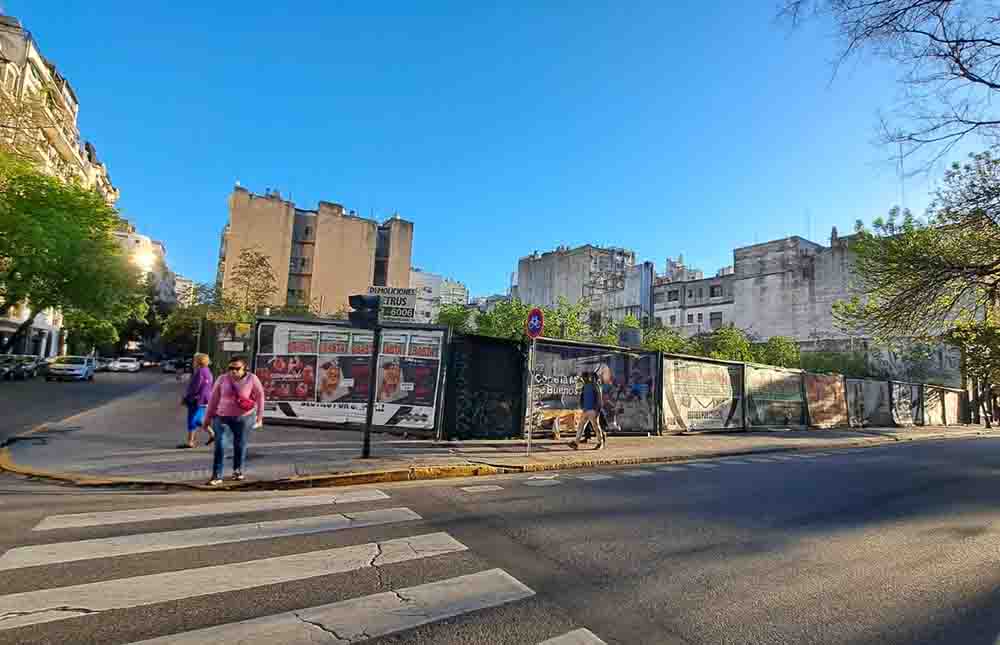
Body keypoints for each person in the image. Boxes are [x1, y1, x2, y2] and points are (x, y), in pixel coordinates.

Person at [202, 356, 265, 485]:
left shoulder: (252, 379)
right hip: (221, 416)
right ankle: (216, 475)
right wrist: (207, 419)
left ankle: (237, 470)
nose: (233, 371)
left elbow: (260, 397)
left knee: (240, 444)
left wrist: (259, 418)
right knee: (220, 444)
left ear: (244, 369)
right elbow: (213, 400)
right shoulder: (222, 379)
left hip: (244, 417)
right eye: (231, 368)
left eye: (237, 368)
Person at [178, 353, 214, 449]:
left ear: (198, 361)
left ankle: (190, 442)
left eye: (194, 360)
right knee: (198, 420)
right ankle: (213, 434)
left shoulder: (199, 372)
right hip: (205, 399)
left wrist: (185, 398)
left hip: (196, 400)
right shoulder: (208, 371)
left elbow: (194, 388)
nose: (193, 362)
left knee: (192, 420)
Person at [570, 372, 605, 450]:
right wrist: (582, 406)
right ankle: (576, 443)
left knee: (596, 427)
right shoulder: (585, 386)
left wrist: (597, 410)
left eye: (585, 377)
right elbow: (582, 397)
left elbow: (599, 399)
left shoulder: (595, 386)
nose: (584, 379)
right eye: (583, 377)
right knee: (581, 426)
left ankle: (600, 443)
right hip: (585, 410)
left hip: (593, 410)